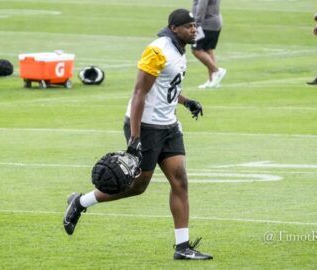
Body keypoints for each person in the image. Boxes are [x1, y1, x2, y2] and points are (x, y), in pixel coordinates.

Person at [63, 8, 213, 260]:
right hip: (146, 127)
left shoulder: (178, 49)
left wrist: (186, 102)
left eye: (195, 25)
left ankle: (183, 247)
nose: (194, 30)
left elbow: (166, 87)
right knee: (137, 186)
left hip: (169, 126)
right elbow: (139, 93)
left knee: (180, 181)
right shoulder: (157, 50)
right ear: (174, 28)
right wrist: (134, 138)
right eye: (189, 26)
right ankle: (80, 202)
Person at [191, 0, 226, 89]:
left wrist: (196, 23)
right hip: (214, 22)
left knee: (196, 50)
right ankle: (212, 80)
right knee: (208, 49)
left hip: (205, 24)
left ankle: (216, 71)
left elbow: (202, 6)